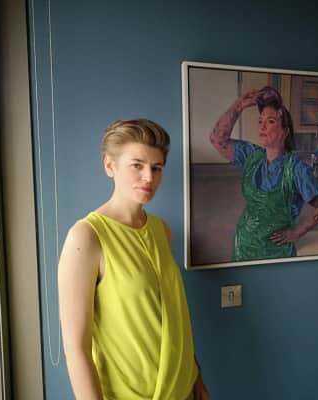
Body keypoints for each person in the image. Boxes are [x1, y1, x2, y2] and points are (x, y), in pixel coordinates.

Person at [58, 119, 209, 400]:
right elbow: (77, 350)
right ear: (110, 165)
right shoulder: (87, 237)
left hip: (184, 387)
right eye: (137, 165)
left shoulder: (161, 230)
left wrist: (196, 376)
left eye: (157, 167)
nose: (149, 177)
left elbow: (173, 315)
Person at [209, 86, 318, 261]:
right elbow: (217, 139)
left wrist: (297, 232)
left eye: (271, 121)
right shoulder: (251, 155)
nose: (262, 126)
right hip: (242, 248)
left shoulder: (296, 169)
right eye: (260, 121)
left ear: (285, 132)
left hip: (276, 255)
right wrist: (239, 105)